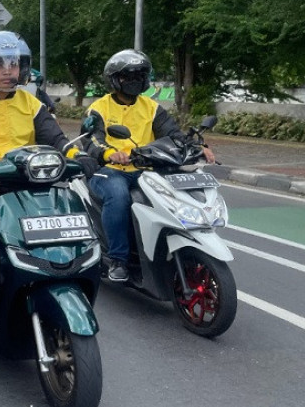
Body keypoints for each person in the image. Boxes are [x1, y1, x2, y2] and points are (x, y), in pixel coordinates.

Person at [0, 31, 97, 332]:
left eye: (14, 63)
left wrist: (79, 155)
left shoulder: (32, 103)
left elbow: (57, 138)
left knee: (68, 214)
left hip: (29, 183)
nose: (8, 70)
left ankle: (60, 277)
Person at [82, 49, 215, 282]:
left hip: (148, 170)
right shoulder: (99, 108)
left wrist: (197, 147)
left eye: (139, 75)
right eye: (127, 76)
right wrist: (110, 154)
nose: (135, 81)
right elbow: (91, 139)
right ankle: (118, 260)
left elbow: (174, 135)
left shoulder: (152, 108)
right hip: (111, 172)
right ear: (114, 79)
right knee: (119, 195)